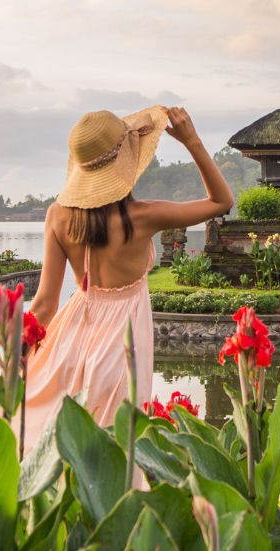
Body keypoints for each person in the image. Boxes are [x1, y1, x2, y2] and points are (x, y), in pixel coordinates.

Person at [13, 104, 233, 440]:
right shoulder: (143, 216)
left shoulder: (57, 215)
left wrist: (18, 359)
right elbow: (221, 201)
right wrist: (192, 142)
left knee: (57, 438)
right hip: (122, 342)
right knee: (118, 447)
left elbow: (43, 304)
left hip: (71, 335)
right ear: (125, 164)